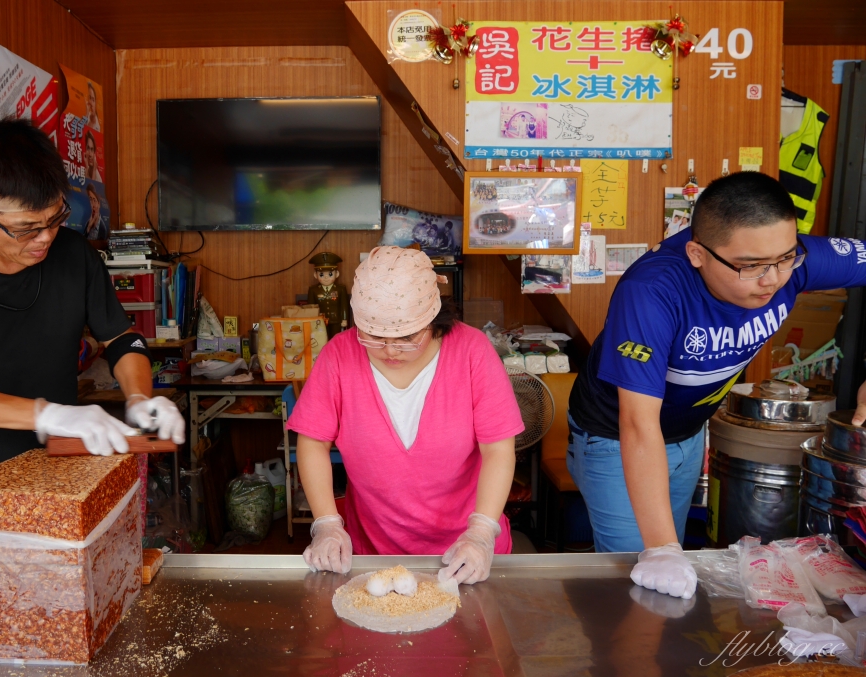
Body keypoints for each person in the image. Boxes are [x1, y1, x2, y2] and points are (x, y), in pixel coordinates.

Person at [567, 172, 866, 601]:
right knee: (640, 577)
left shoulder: (787, 261)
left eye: (786, 258)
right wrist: (662, 549)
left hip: (688, 432)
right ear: (697, 254)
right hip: (616, 437)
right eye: (751, 266)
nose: (773, 279)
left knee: (669, 570)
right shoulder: (652, 291)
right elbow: (637, 424)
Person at [0, 120, 184, 551]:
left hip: (62, 476)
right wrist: (48, 415)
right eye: (27, 227)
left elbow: (122, 339)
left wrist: (141, 398)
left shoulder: (72, 255)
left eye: (55, 218)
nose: (46, 237)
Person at [288, 246, 522, 584]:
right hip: (373, 553)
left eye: (407, 337)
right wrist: (326, 523)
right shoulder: (339, 354)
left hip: (466, 553)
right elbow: (313, 441)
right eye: (374, 336)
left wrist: (482, 532)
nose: (390, 350)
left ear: (433, 319)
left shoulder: (472, 352)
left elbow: (498, 449)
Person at [307, 252, 348, 338]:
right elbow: (311, 306)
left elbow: (344, 305)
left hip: (336, 319)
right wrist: (311, 319)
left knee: (335, 338)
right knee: (322, 338)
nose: (326, 277)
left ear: (337, 274)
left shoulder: (340, 289)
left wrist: (344, 319)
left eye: (330, 274)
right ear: (315, 275)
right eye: (321, 274)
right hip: (320, 320)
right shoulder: (313, 290)